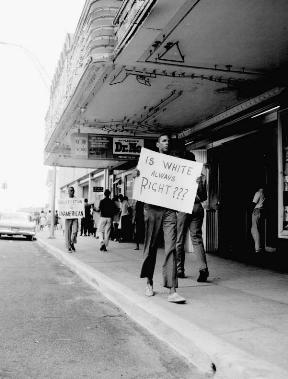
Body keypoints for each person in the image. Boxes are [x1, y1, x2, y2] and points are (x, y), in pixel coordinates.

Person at [134, 134, 186, 303]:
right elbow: (140, 179)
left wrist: (194, 181)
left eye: (168, 141)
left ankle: (172, 289)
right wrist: (137, 174)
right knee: (151, 246)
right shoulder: (149, 162)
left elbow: (182, 183)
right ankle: (149, 281)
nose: (167, 143)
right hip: (152, 209)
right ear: (157, 144)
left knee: (171, 247)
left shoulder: (175, 164)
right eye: (164, 141)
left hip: (169, 210)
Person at [175, 151, 209, 282]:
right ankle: (203, 269)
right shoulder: (201, 176)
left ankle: (180, 269)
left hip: (184, 207)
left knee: (179, 239)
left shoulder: (179, 175)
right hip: (197, 207)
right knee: (197, 239)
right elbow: (204, 197)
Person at [251, 187, 266, 253]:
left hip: (256, 210)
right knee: (257, 228)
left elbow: (253, 202)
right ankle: (258, 247)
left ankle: (257, 247)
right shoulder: (263, 193)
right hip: (261, 210)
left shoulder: (258, 193)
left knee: (254, 228)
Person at [64, 186, 78, 252]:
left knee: (75, 231)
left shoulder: (76, 199)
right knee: (68, 232)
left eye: (72, 190)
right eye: (69, 190)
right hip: (68, 217)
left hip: (75, 217)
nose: (71, 192)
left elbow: (79, 207)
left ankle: (72, 243)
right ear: (68, 192)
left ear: (74, 191)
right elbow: (63, 208)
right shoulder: (65, 199)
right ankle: (69, 246)